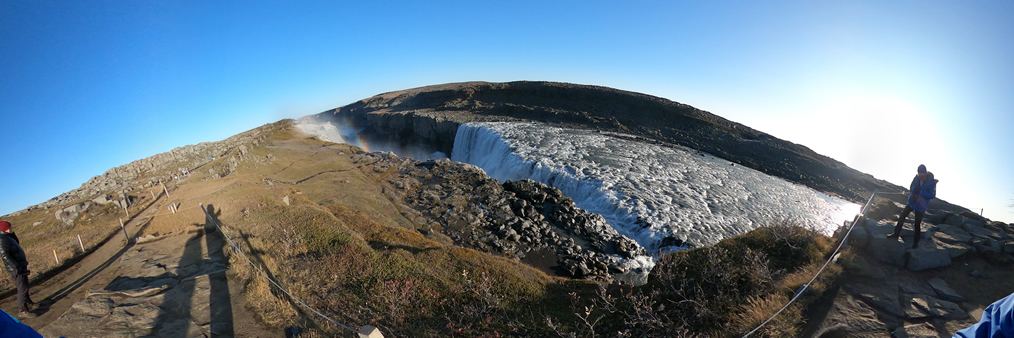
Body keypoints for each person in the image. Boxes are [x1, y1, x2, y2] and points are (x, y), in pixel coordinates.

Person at [886, 164, 937, 248]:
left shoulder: (931, 182)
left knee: (917, 224)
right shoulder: (916, 178)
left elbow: (932, 195)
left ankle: (915, 243)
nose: (921, 176)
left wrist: (920, 192)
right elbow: (911, 187)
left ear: (926, 173)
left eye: (923, 174)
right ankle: (895, 234)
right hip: (912, 202)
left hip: (921, 206)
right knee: (902, 216)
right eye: (920, 174)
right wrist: (914, 190)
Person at [0, 221, 37, 318]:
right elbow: (5, 256)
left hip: (19, 265)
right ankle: (22, 310)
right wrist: (16, 267)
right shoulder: (2, 239)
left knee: (25, 286)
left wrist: (12, 234)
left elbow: (17, 243)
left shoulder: (7, 237)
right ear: (5, 229)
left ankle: (29, 303)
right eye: (9, 227)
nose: (11, 228)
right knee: (22, 289)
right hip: (16, 268)